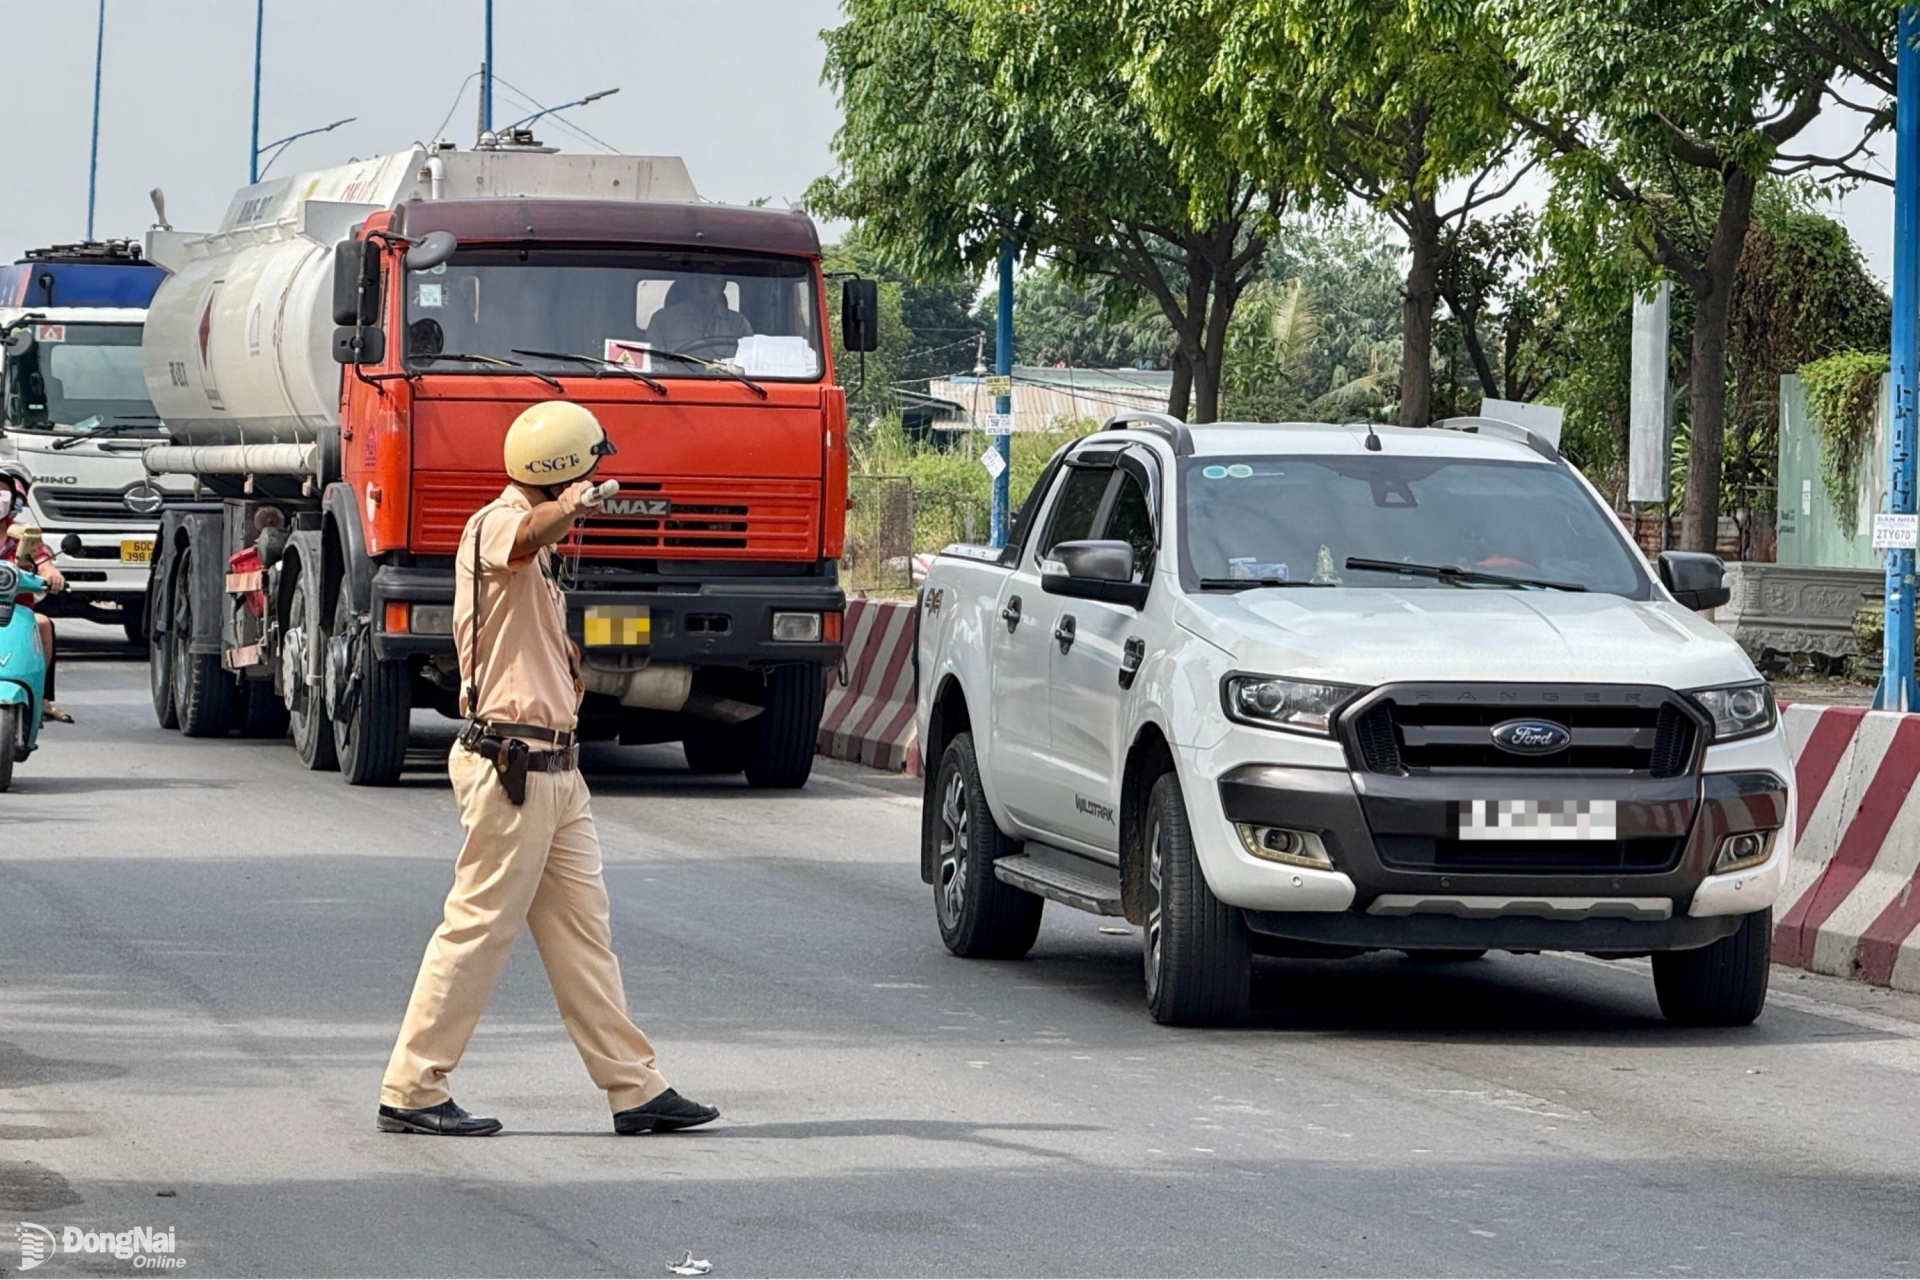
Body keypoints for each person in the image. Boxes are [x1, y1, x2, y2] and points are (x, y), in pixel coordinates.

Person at [377, 401, 718, 1138]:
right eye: (590, 469)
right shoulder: (495, 526)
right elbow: (526, 535)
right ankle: (412, 1087)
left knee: (583, 937)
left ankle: (635, 1088)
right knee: (477, 930)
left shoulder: (543, 563)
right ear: (566, 473)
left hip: (557, 773)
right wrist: (570, 505)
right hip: (514, 768)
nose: (598, 482)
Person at [0, 463, 71, 724]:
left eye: (3, 494)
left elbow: (44, 561)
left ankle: (41, 698)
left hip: (18, 611)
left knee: (42, 624)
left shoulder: (25, 537)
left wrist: (51, 574)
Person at [644, 275, 753, 355]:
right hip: (674, 385)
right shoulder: (662, 320)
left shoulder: (738, 323)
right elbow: (652, 364)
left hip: (727, 385)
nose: (706, 286)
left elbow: (749, 364)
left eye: (714, 281)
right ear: (690, 284)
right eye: (701, 279)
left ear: (722, 287)